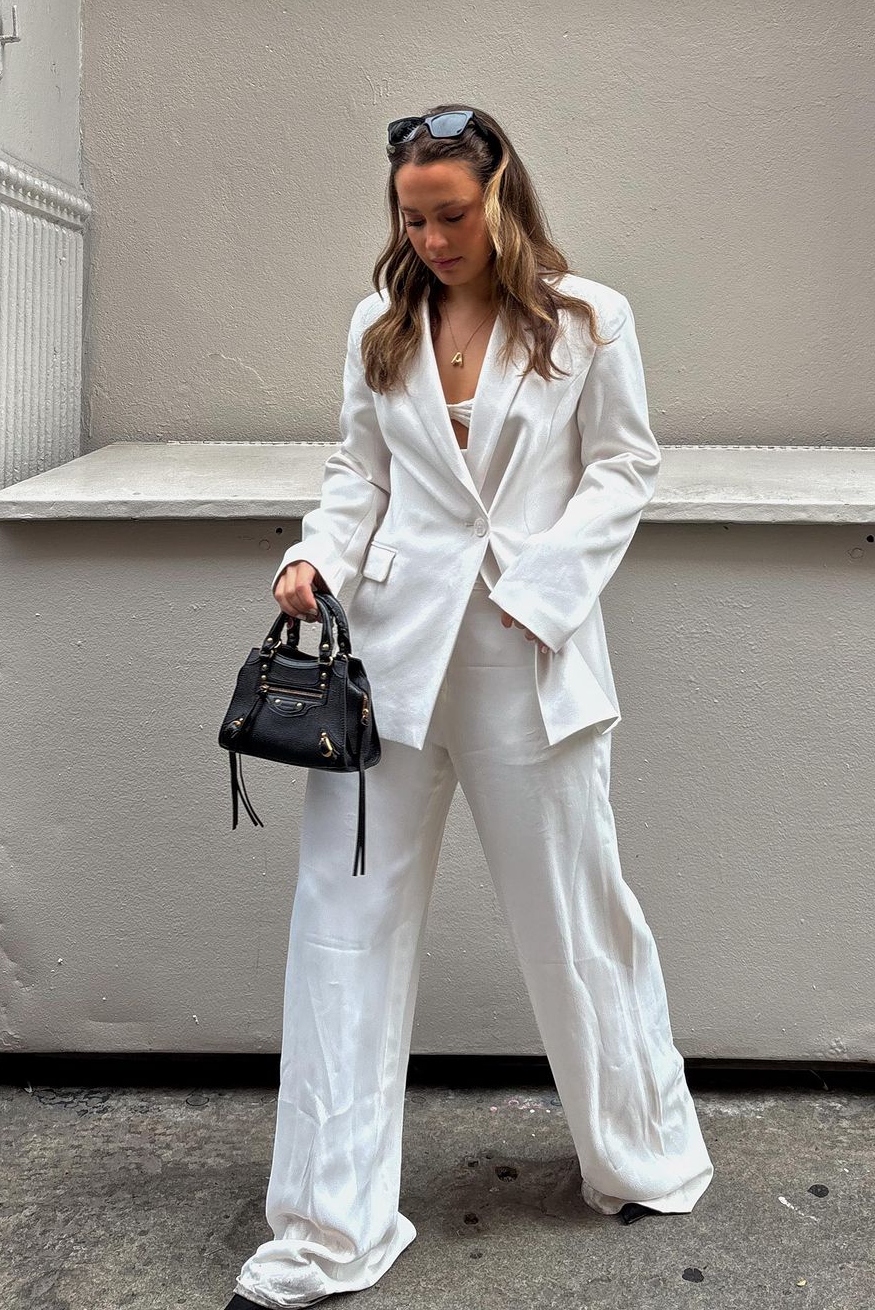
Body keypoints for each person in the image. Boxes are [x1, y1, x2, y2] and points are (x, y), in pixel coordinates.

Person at [227, 105, 713, 1308]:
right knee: (342, 926)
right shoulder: (379, 324)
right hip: (386, 668)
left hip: (527, 652)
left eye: (450, 215)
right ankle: (328, 1228)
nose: (432, 239)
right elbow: (360, 473)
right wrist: (316, 555)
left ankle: (640, 1156)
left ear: (501, 197)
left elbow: (626, 466)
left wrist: (543, 593)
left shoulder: (589, 320)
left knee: (575, 913)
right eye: (412, 218)